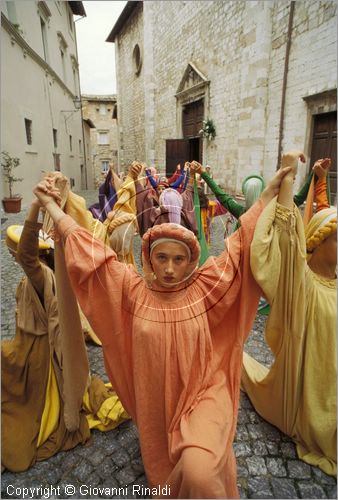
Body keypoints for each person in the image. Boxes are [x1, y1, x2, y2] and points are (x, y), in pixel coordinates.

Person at [33, 163, 292, 498]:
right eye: (162, 258)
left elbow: (241, 246)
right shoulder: (130, 291)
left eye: (179, 259)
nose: (169, 269)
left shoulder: (206, 288)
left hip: (203, 392)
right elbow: (89, 252)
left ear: (191, 260)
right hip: (156, 401)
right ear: (149, 259)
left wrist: (268, 194)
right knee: (169, 465)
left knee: (200, 472)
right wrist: (51, 206)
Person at [2, 200, 129, 472]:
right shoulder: (46, 276)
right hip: (29, 346)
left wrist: (35, 207)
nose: (15, 257)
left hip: (36, 352)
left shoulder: (41, 276)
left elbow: (26, 256)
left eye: (14, 253)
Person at [241, 150, 336, 476]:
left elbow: (323, 213)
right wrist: (288, 173)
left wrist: (319, 180)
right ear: (320, 243)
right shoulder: (302, 285)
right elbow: (286, 236)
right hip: (310, 386)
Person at [198, 160, 331, 229]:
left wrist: (203, 173)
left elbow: (221, 195)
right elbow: (299, 198)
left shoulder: (240, 211)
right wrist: (315, 175)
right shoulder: (272, 209)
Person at [134, 162, 198, 237]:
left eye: (163, 189)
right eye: (159, 189)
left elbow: (179, 180)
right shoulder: (183, 213)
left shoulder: (155, 215)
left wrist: (184, 171)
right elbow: (187, 196)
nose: (161, 191)